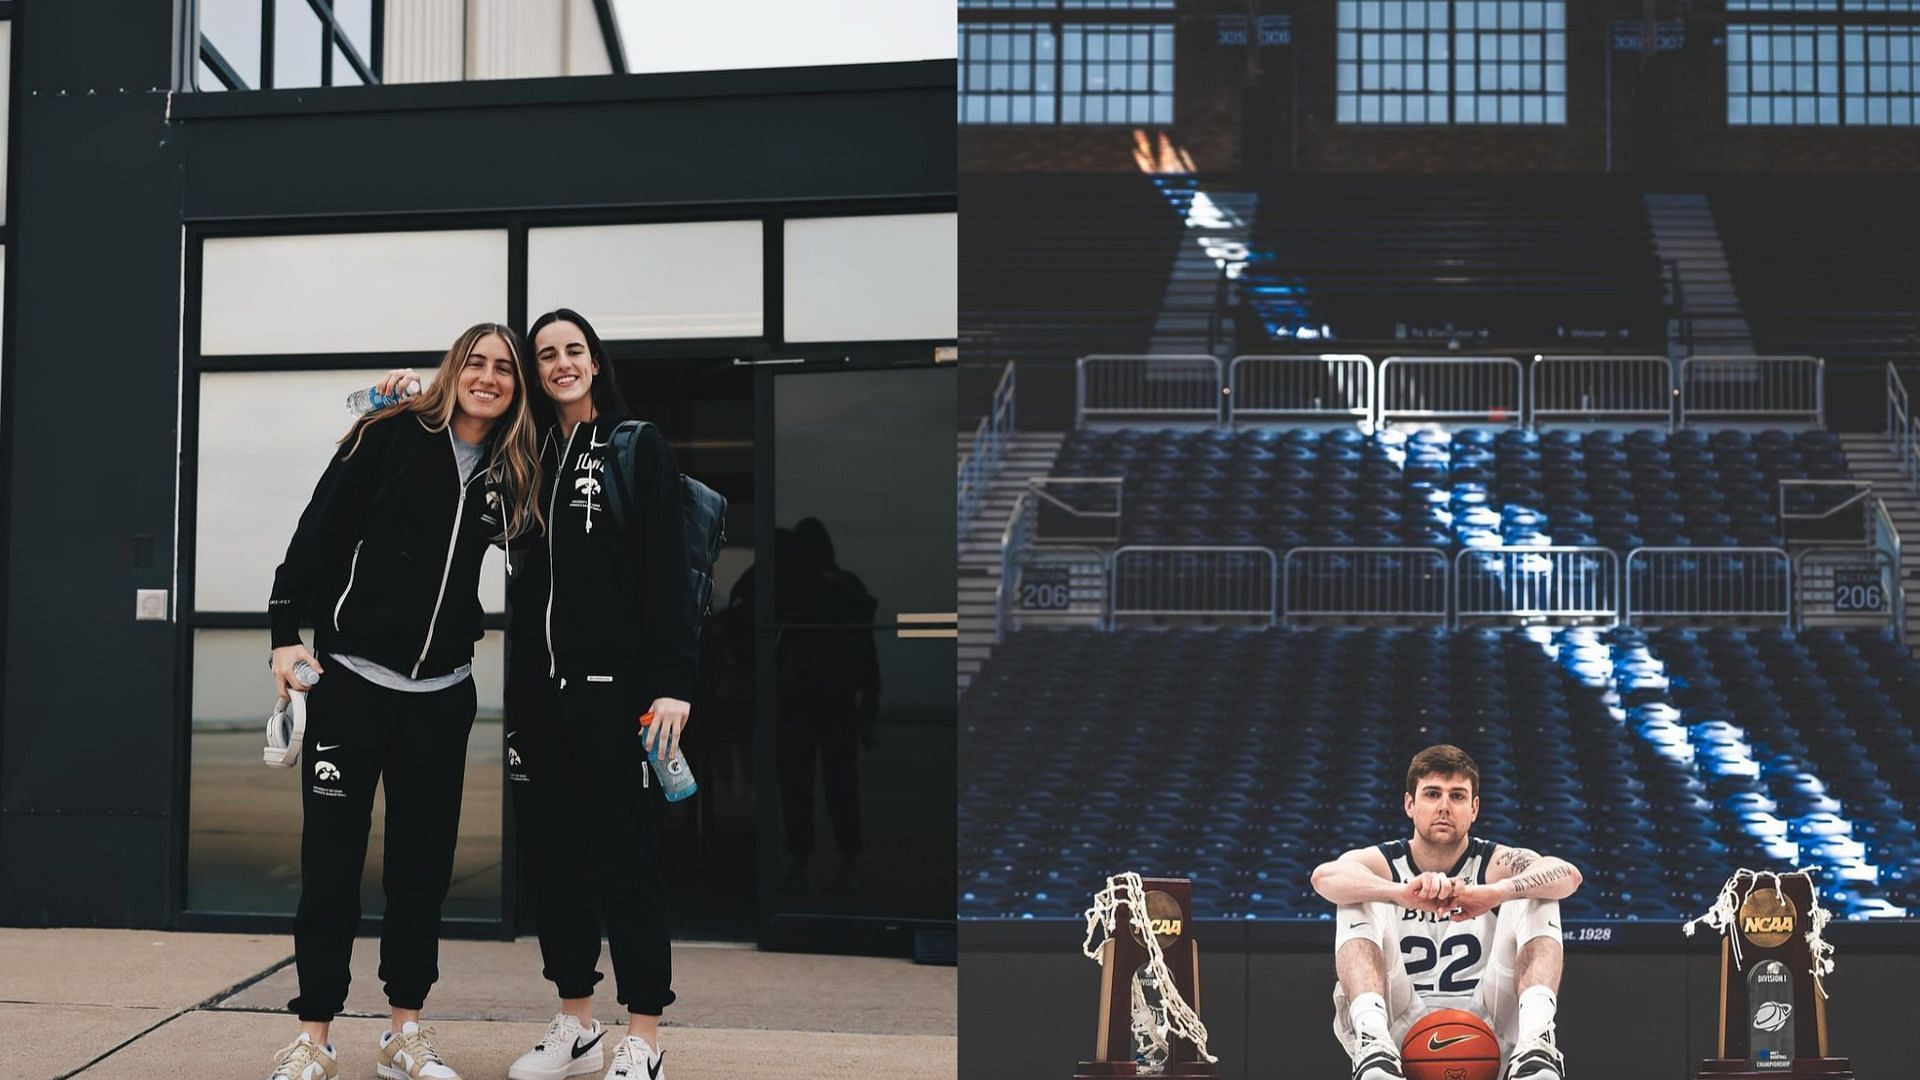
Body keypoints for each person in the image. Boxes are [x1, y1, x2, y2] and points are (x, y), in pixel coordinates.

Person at [380, 308, 696, 1080]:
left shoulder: (633, 445)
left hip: (616, 692)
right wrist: (406, 397)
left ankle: (645, 1034)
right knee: (555, 862)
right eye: (545, 354)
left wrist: (674, 683)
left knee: (625, 858)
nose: (560, 363)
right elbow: (444, 453)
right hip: (536, 698)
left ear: (595, 362)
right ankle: (577, 1023)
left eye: (573, 351)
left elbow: (668, 571)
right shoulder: (521, 454)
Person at [264, 323, 543, 1080]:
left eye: (505, 369)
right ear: (454, 369)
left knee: (421, 874)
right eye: (477, 362)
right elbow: (317, 532)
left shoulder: (513, 468)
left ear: (517, 388)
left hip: (442, 696)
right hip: (353, 682)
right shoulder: (387, 434)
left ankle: (403, 1035)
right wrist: (286, 633)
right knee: (330, 869)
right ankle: (314, 1038)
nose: (489, 377)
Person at [1309, 744, 1581, 1080]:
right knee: (1357, 893)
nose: (1444, 807)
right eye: (1432, 794)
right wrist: (1398, 893)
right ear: (1410, 804)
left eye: (1457, 796)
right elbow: (1324, 877)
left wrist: (1494, 893)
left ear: (1474, 808)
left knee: (1534, 889)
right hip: (1399, 1025)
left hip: (1491, 1024)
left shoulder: (1493, 863)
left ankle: (1537, 1046)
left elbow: (1568, 875)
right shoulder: (1385, 863)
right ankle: (1372, 1043)